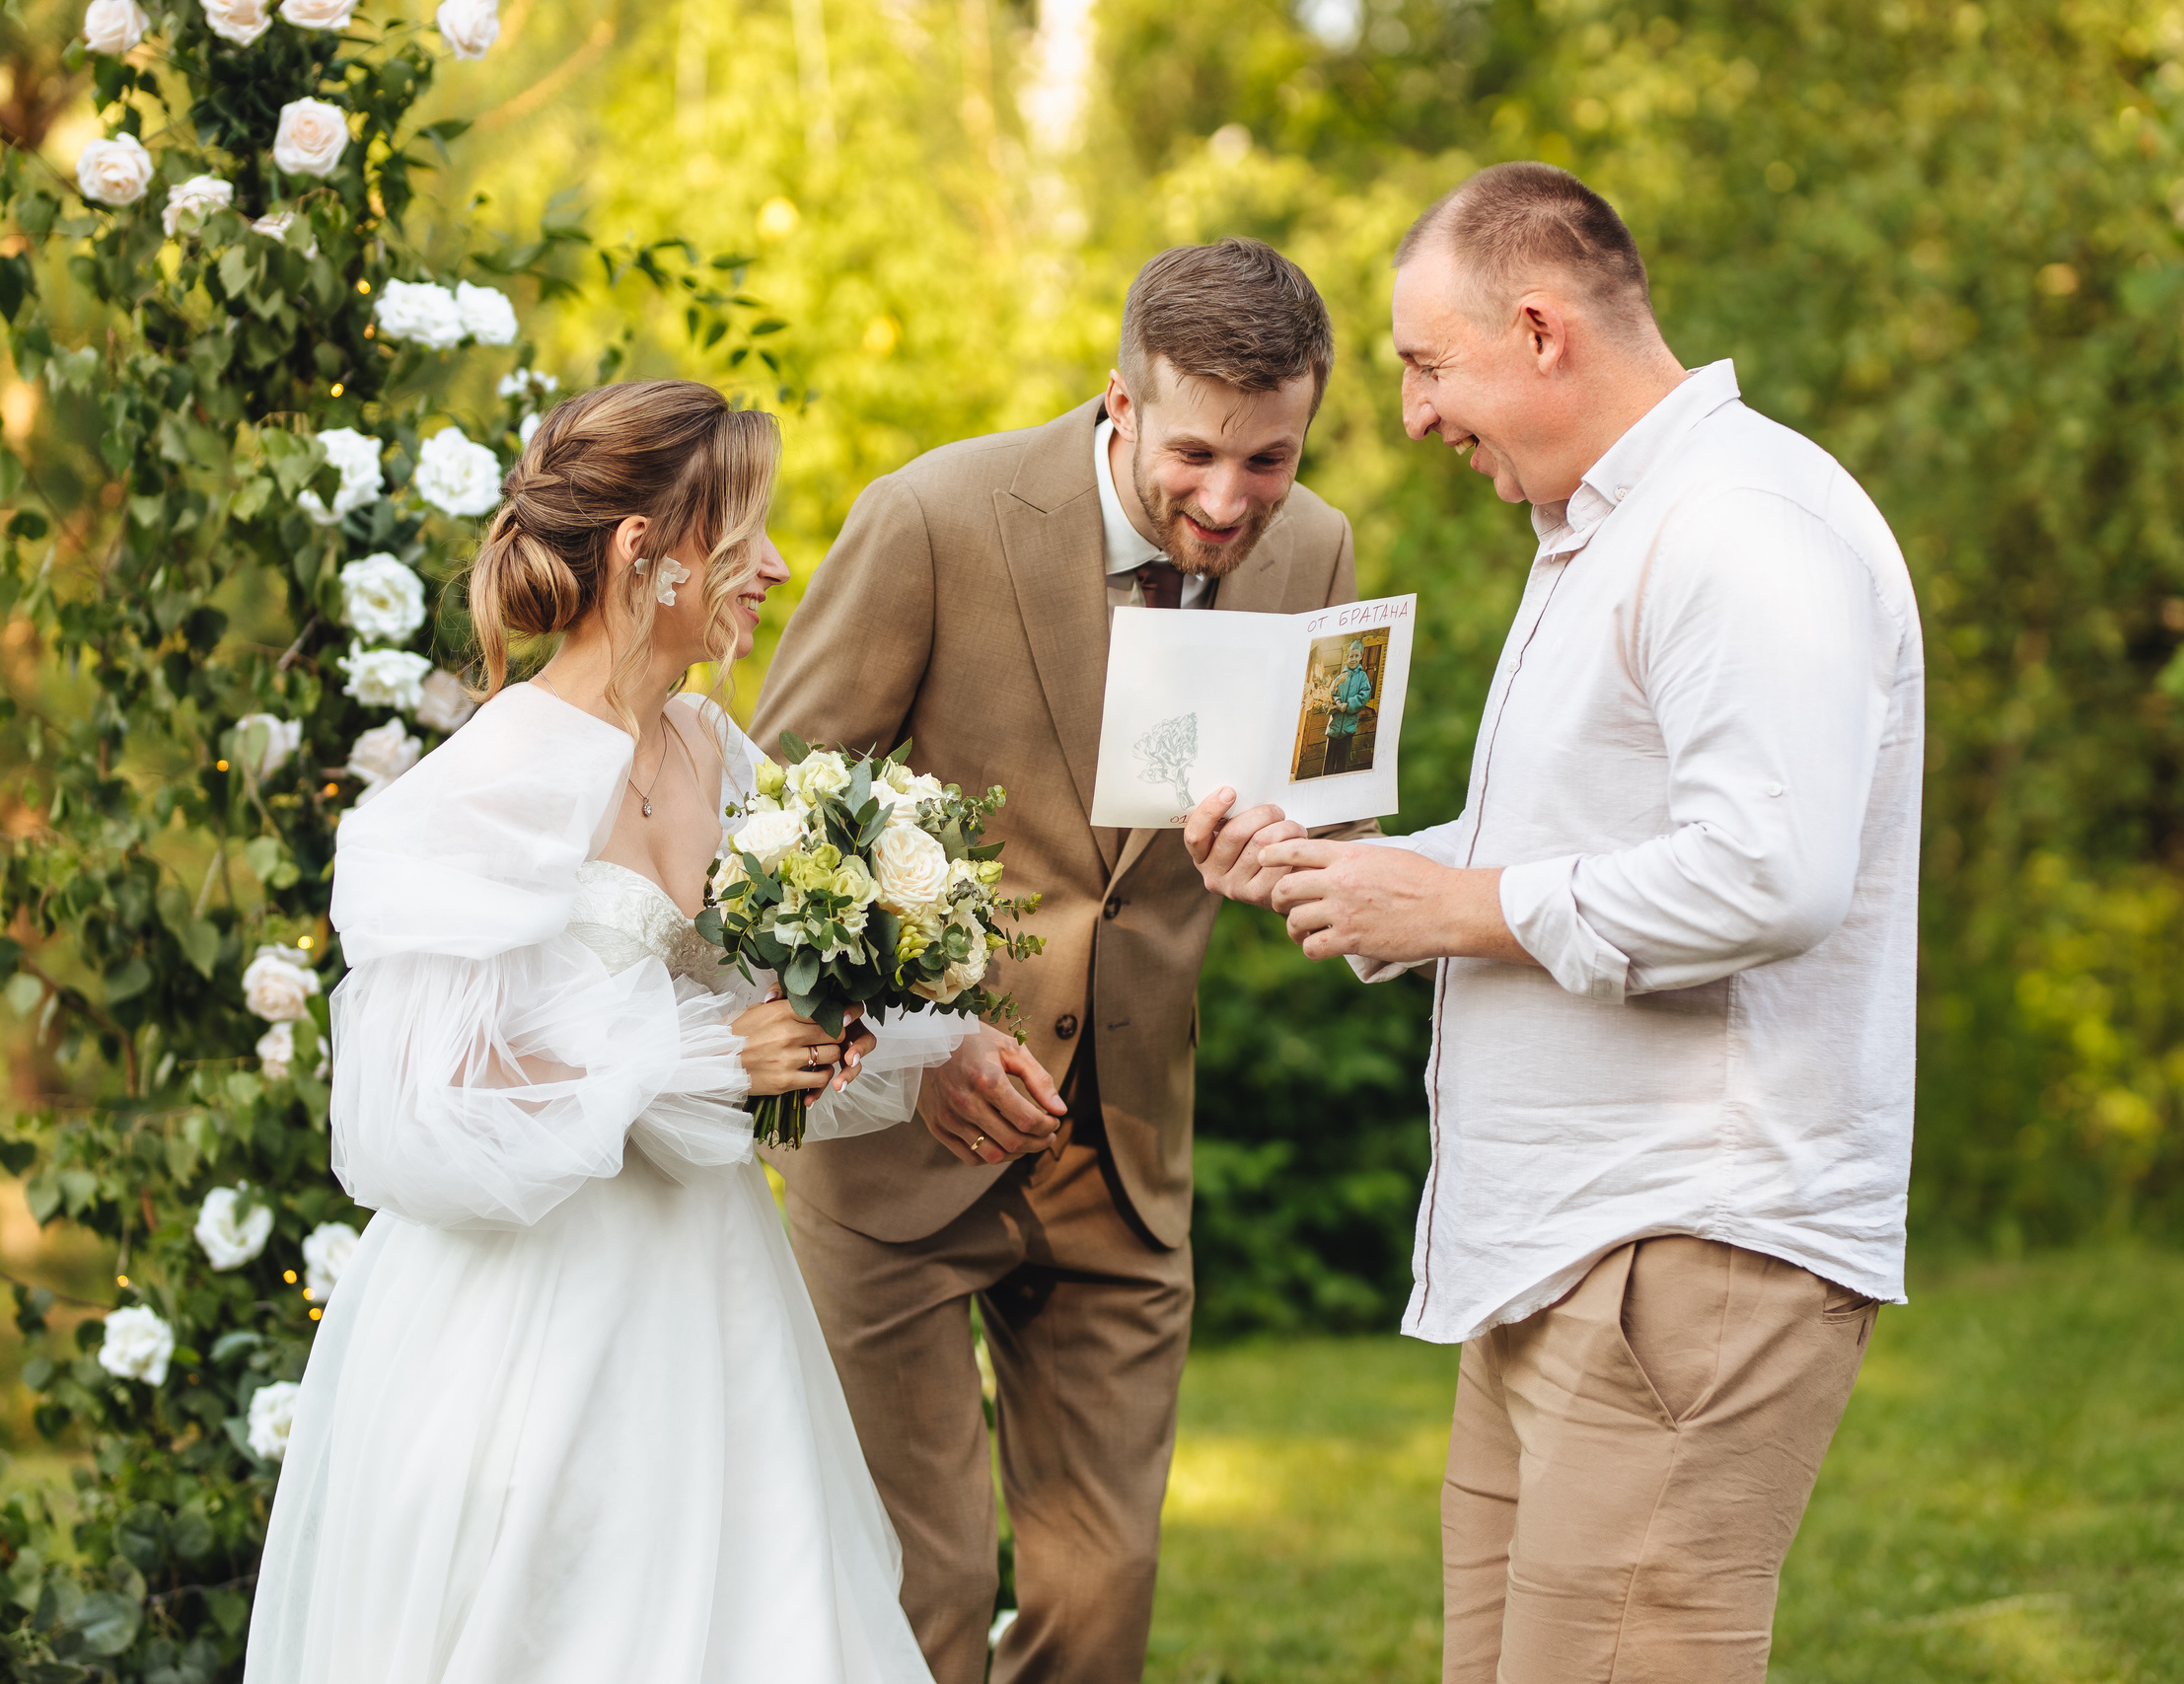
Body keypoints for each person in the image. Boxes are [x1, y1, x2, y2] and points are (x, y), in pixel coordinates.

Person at [1191, 163, 1924, 1682]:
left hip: (1687, 1239)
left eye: (1427, 366)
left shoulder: (1742, 526)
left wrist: (1460, 903)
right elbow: (1564, 849)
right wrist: (1343, 874)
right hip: (1558, 1251)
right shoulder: (1609, 529)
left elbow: (1774, 872)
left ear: (1539, 329)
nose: (1413, 416)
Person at [245, 380, 964, 1683]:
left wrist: (902, 1048)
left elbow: (756, 1003)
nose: (777, 566)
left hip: (709, 1287)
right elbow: (420, 1096)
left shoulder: (709, 749)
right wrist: (710, 1059)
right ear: (648, 552)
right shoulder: (493, 776)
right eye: (746, 532)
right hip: (532, 1310)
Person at [753, 238, 1363, 1684]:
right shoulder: (932, 515)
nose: (1231, 501)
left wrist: (1301, 848)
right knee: (924, 1584)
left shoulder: (1318, 550)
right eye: (1196, 454)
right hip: (902, 1141)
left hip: (1125, 1151)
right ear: (1120, 403)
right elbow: (771, 823)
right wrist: (914, 1048)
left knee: (1103, 1598)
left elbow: (1329, 805)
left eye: (1269, 460)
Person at [1324, 638, 1375, 773]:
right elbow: (1331, 695)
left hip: (1348, 730)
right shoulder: (1340, 677)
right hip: (1333, 729)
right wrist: (1337, 702)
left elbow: (1364, 695)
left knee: (1341, 768)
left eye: (1356, 656)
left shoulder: (1362, 678)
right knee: (1328, 767)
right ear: (1347, 657)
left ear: (1361, 656)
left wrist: (1348, 704)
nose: (1353, 659)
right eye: (1351, 656)